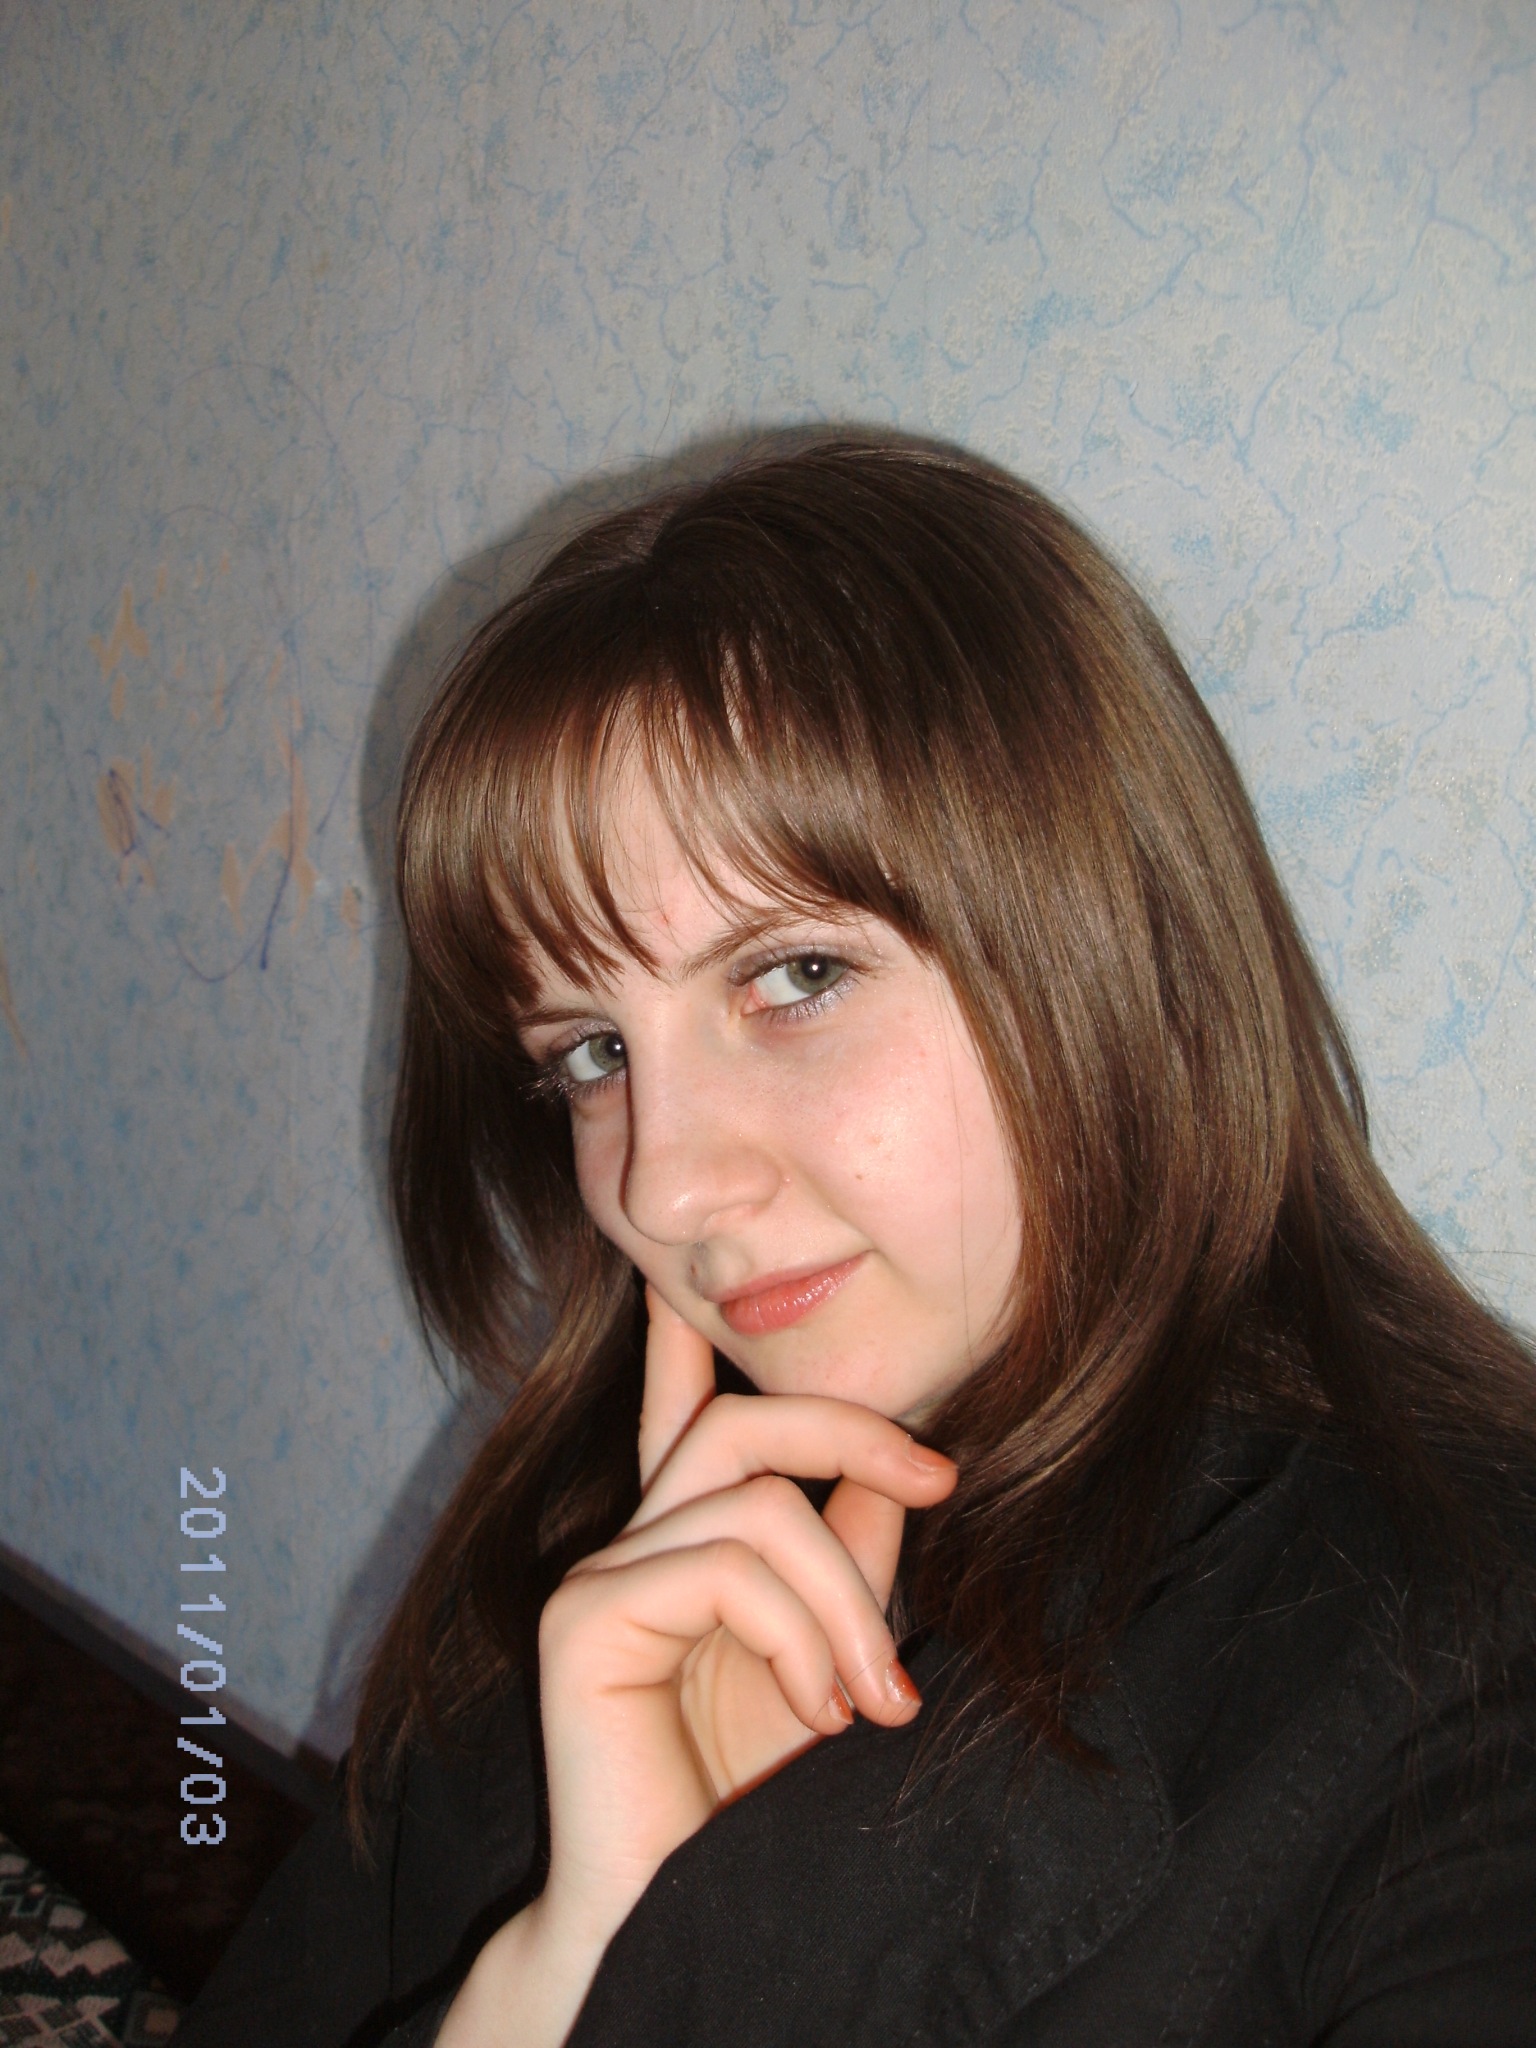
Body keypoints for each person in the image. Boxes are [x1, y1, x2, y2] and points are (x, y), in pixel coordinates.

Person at [175, 436, 1536, 2047]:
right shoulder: (587, 1543)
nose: (663, 1189)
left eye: (796, 977)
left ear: (1110, 943)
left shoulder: (1466, 1689)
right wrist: (558, 1963)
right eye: (591, 1054)